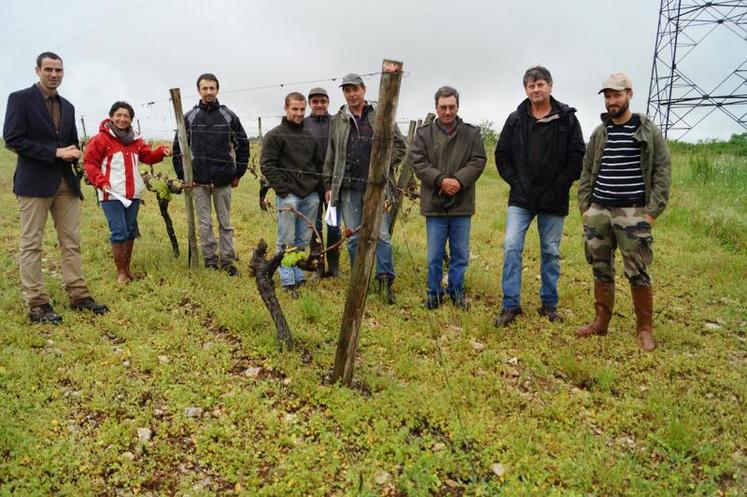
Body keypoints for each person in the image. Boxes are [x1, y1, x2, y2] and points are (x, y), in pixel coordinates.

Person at [3, 51, 109, 323]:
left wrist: (74, 153)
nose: (54, 74)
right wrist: (55, 152)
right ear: (37, 70)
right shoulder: (19, 99)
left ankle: (79, 295)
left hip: (65, 183)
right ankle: (37, 304)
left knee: (71, 242)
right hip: (34, 183)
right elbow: (13, 138)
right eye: (48, 69)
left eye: (58, 70)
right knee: (32, 244)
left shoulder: (69, 106)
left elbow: (70, 141)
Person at [577, 73, 671, 351]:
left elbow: (663, 172)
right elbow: (586, 171)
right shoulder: (600, 132)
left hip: (633, 212)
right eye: (607, 96)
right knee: (600, 267)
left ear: (629, 94)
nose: (611, 101)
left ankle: (644, 329)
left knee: (637, 270)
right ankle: (600, 322)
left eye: (616, 95)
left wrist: (651, 214)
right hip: (599, 211)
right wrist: (586, 208)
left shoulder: (647, 130)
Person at [494, 66, 585, 327]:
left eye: (540, 84)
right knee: (511, 246)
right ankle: (510, 305)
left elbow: (576, 156)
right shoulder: (515, 119)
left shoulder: (567, 119)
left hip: (554, 199)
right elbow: (502, 155)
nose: (536, 89)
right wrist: (516, 182)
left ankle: (549, 305)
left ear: (550, 86)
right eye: (531, 85)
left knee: (550, 251)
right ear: (525, 89)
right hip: (521, 198)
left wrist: (558, 186)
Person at [323, 73, 406, 304]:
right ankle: (360, 280)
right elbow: (331, 154)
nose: (351, 94)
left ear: (364, 89)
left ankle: (385, 281)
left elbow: (400, 145)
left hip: (377, 188)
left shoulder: (380, 114)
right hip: (348, 187)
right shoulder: (338, 119)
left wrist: (381, 167)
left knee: (381, 235)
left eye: (355, 89)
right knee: (353, 237)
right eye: (347, 90)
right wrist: (329, 184)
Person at [411, 86, 486, 310]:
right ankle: (434, 294)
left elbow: (478, 160)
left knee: (460, 254)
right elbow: (419, 163)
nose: (447, 111)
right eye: (443, 107)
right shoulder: (423, 134)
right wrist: (441, 180)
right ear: (436, 107)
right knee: (434, 255)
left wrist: (458, 182)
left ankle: (456, 291)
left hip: (461, 203)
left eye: (451, 107)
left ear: (457, 107)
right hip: (434, 203)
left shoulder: (472, 133)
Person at [83, 101, 171, 283]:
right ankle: (121, 272)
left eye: (126, 116)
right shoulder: (100, 139)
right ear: (111, 116)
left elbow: (148, 157)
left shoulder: (136, 141)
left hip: (133, 195)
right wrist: (101, 182)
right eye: (119, 115)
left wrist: (162, 151)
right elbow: (90, 163)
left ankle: (127, 269)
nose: (122, 119)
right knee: (119, 231)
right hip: (111, 194)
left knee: (130, 230)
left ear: (131, 119)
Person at [172, 73, 250, 275]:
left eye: (212, 88)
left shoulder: (228, 116)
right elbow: (178, 148)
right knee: (205, 223)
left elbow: (243, 145)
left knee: (225, 223)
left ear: (217, 90)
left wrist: (238, 173)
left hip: (224, 179)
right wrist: (184, 176)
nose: (208, 92)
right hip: (197, 181)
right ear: (199, 91)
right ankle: (210, 260)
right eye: (204, 88)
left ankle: (228, 261)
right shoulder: (189, 117)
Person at [261, 92, 321, 296]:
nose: (299, 113)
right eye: (294, 109)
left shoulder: (310, 136)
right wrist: (284, 191)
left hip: (309, 196)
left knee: (303, 239)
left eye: (302, 109)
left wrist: (315, 190)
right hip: (289, 196)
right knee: (286, 238)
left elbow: (316, 165)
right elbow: (267, 166)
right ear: (286, 109)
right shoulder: (275, 135)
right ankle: (288, 281)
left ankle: (299, 274)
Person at [304, 87, 341, 278]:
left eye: (323, 101)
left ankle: (334, 268)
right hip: (311, 186)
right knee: (315, 226)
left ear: (328, 102)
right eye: (315, 101)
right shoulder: (303, 124)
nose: (319, 105)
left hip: (333, 185)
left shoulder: (336, 122)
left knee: (333, 225)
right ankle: (318, 266)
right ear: (310, 103)